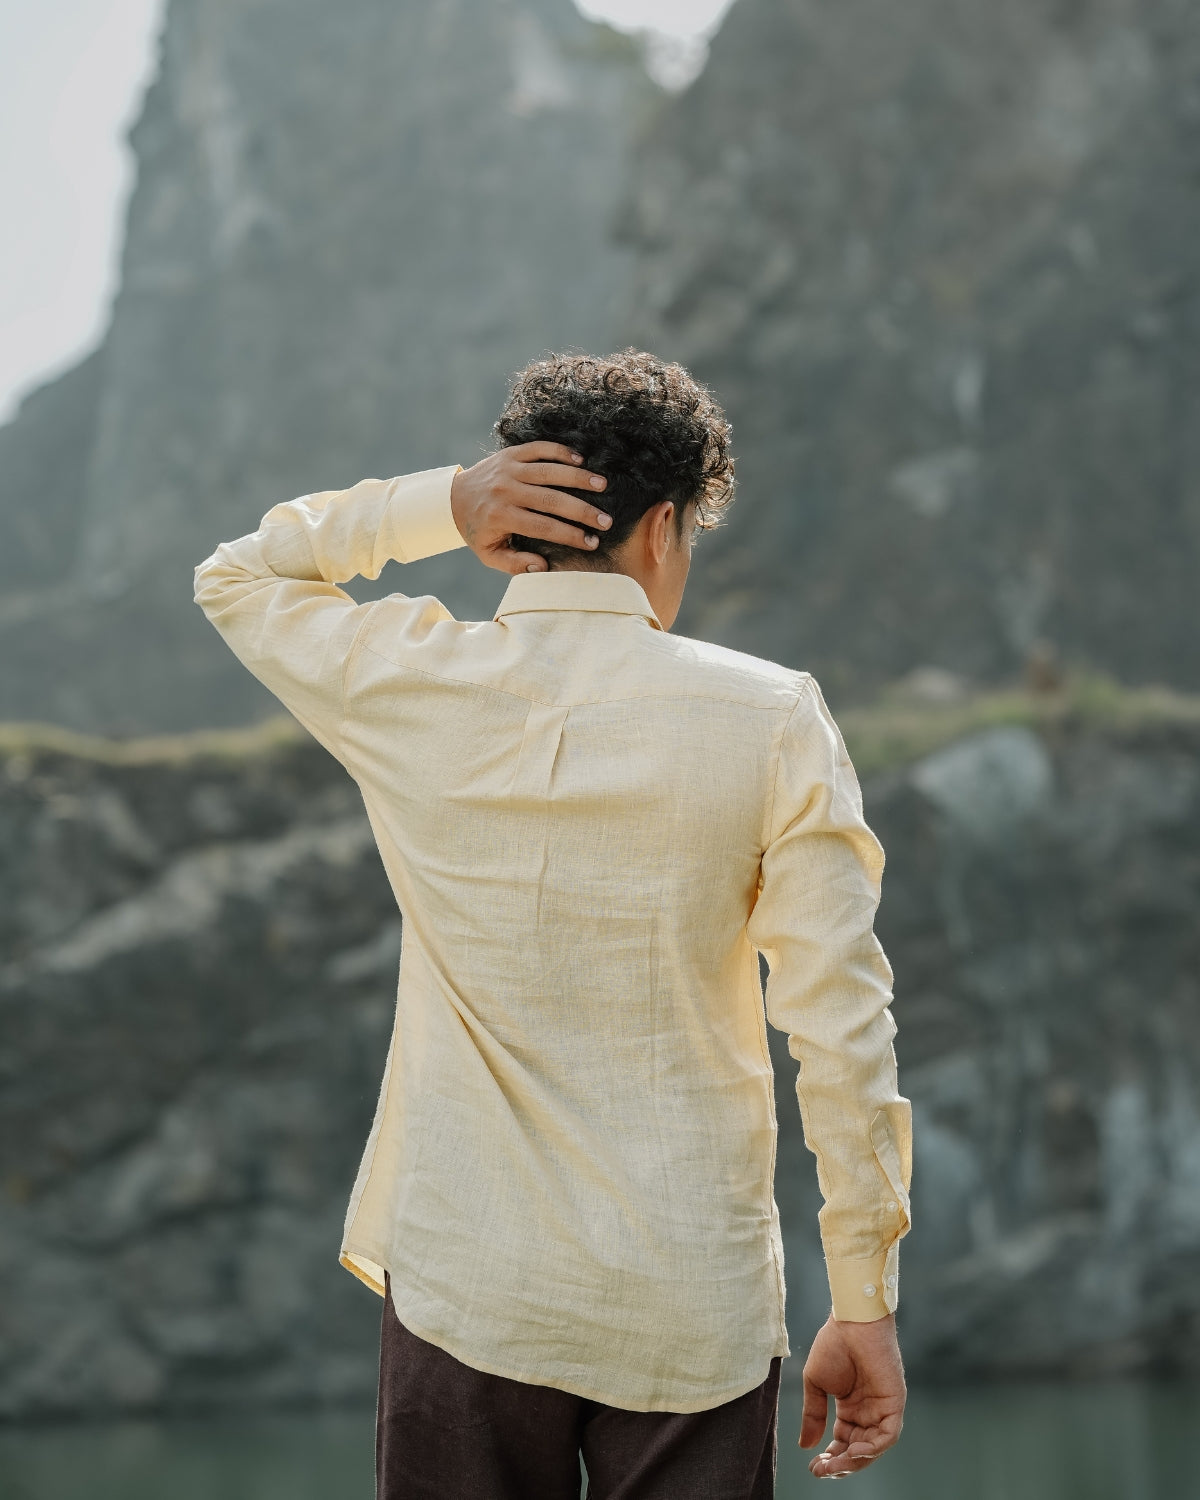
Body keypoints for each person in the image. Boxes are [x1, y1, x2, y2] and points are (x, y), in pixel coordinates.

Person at [194, 349, 911, 1497]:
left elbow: (237, 577)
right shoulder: (772, 717)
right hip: (693, 1307)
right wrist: (864, 1299)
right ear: (664, 527)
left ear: (511, 520)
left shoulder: (408, 680)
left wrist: (439, 504)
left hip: (469, 1289)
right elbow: (841, 1030)